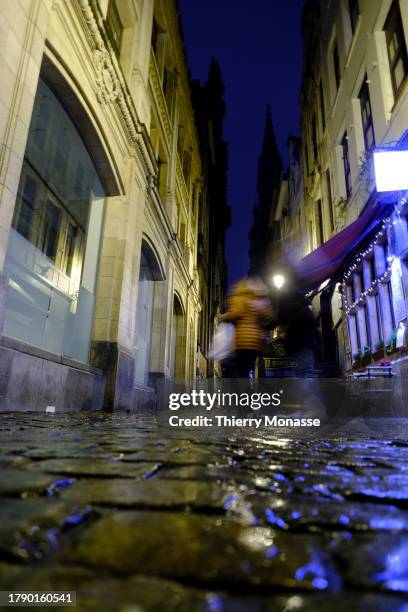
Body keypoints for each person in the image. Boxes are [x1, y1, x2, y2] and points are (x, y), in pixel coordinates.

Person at [221, 277, 273, 378]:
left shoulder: (238, 298)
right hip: (255, 343)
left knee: (241, 370)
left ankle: (244, 391)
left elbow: (235, 313)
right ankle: (250, 388)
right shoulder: (257, 300)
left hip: (242, 341)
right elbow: (269, 316)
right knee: (250, 367)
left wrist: (223, 317)